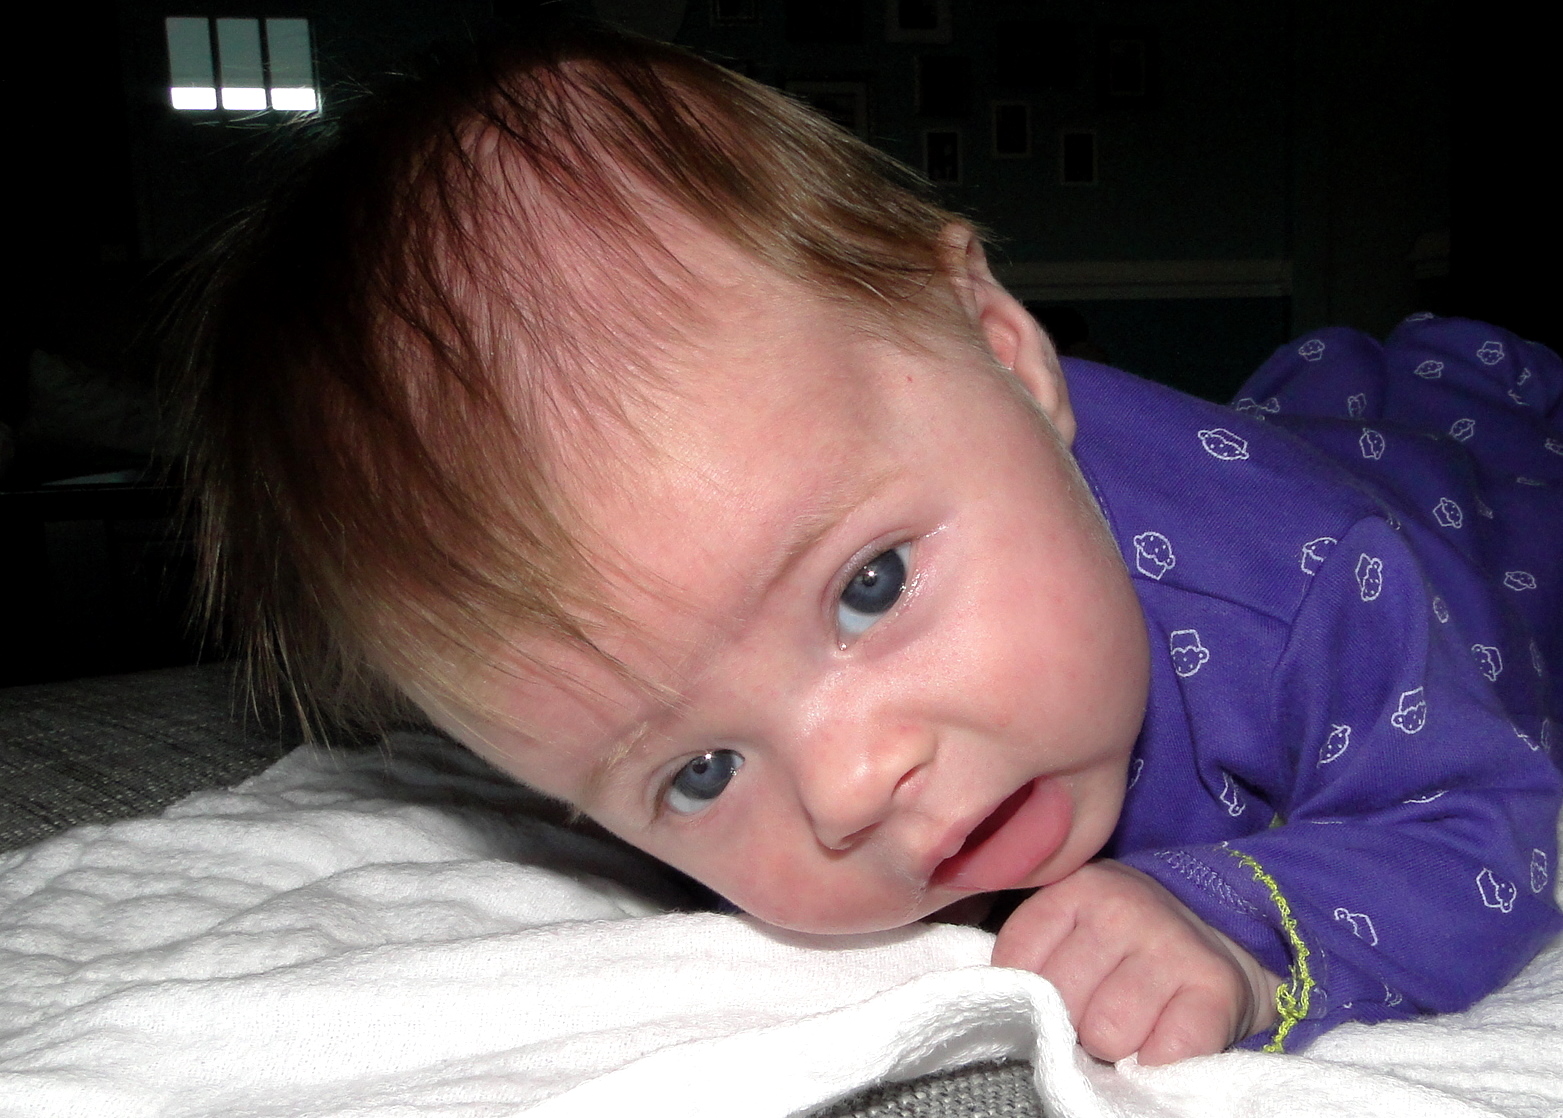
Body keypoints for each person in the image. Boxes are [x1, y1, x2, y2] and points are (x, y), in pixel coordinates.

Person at [179, 21, 1562, 1067]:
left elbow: (1503, 823)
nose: (848, 789)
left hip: (1476, 497)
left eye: (870, 586)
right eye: (699, 770)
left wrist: (1243, 923)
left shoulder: (1307, 581)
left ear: (1001, 347)